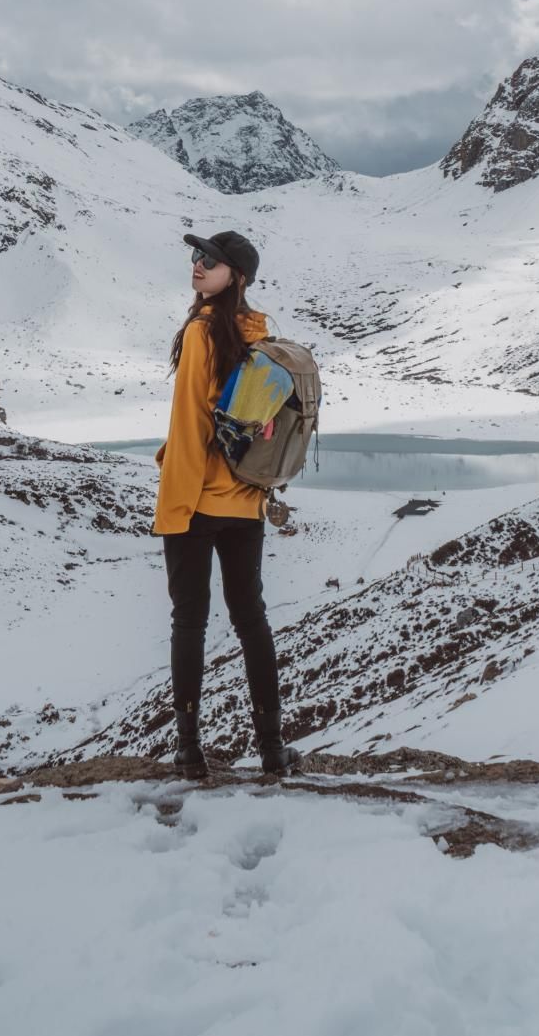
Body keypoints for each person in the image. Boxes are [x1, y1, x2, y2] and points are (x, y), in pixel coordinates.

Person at [152, 228, 300, 780]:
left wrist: (176, 505)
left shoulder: (201, 332)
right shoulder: (255, 331)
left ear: (233, 277)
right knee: (251, 621)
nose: (197, 264)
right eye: (195, 255)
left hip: (197, 502)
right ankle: (272, 749)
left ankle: (189, 751)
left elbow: (192, 423)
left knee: (189, 621)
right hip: (245, 501)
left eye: (209, 260)